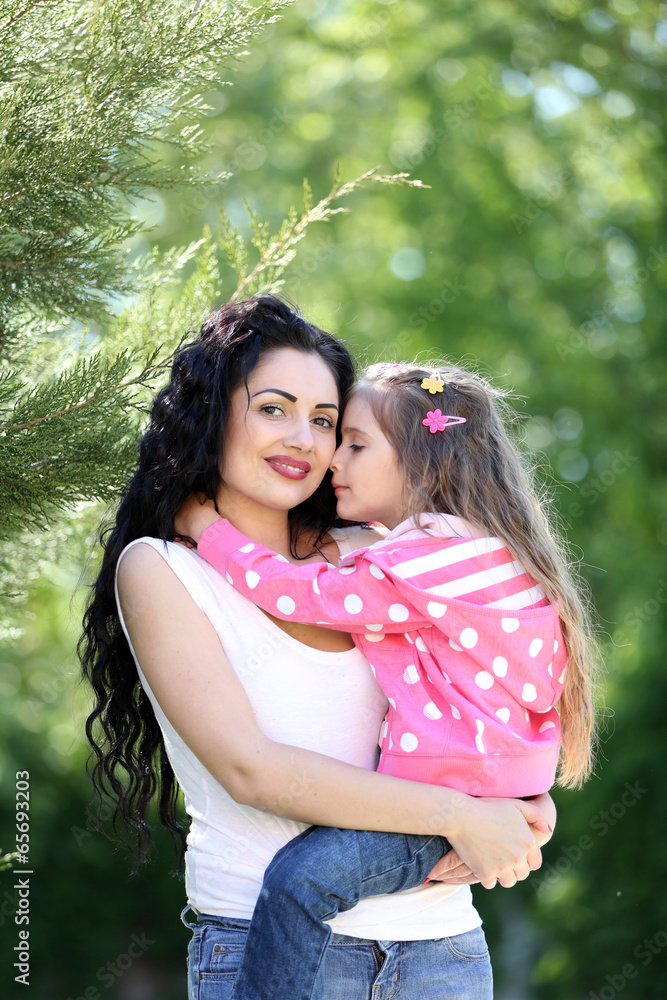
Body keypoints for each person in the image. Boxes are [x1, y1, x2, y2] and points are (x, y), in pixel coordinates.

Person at [80, 296, 557, 1000]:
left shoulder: (387, 551)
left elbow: (491, 680)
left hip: (440, 951)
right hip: (268, 945)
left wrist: (524, 802)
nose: (304, 439)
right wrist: (460, 816)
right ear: (212, 411)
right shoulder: (164, 570)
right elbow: (253, 771)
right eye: (273, 408)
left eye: (326, 421)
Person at [177, 359, 600, 1000]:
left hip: (441, 801)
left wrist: (210, 532)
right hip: (491, 794)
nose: (332, 461)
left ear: (419, 461)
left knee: (299, 884)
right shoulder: (488, 552)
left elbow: (295, 593)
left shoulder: (417, 562)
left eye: (354, 442)